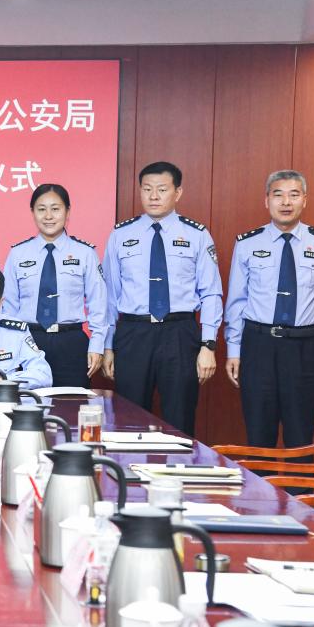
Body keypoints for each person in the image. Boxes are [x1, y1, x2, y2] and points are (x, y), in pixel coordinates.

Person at [102, 161, 222, 435]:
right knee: (128, 419)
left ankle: (180, 464)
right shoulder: (121, 234)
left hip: (179, 333)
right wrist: (107, 346)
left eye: (162, 189)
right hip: (133, 334)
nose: (153, 196)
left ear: (177, 193)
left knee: (180, 419)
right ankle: (128, 464)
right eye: (147, 189)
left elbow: (211, 292)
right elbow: (109, 296)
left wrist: (208, 345)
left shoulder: (196, 235)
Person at [224, 170, 314, 448]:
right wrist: (233, 350)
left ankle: (297, 480)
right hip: (258, 346)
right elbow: (237, 302)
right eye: (278, 195)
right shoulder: (247, 243)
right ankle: (259, 479)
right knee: (258, 435)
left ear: (304, 200)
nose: (286, 202)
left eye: (294, 195)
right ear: (267, 200)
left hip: (304, 347)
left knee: (300, 435)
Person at [3, 183, 108, 387]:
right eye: (41, 209)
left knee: (71, 403)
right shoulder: (18, 254)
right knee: (27, 401)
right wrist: (9, 346)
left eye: (55, 209)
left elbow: (98, 304)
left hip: (71, 342)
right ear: (32, 212)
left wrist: (97, 345)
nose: (48, 216)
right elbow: (9, 307)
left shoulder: (85, 253)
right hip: (29, 341)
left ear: (68, 212)